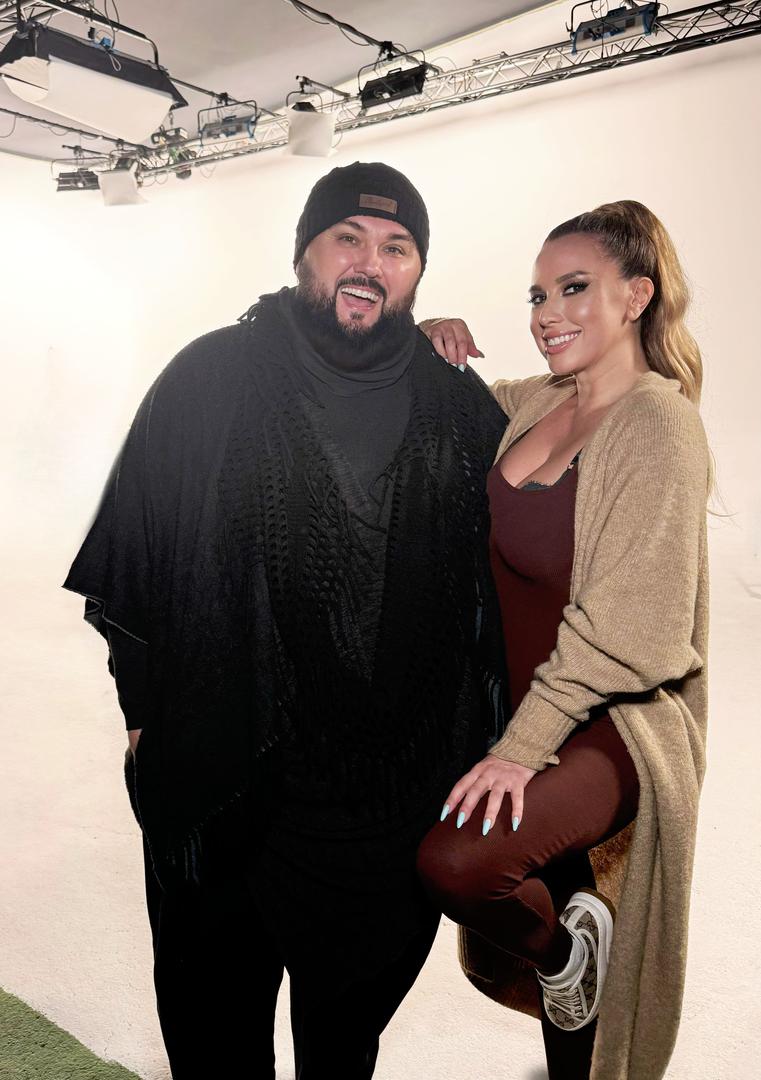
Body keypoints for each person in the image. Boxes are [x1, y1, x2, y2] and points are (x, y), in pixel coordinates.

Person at [63, 162, 510, 1080]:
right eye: (348, 238)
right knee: (215, 1040)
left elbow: (499, 578)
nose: (369, 262)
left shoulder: (457, 405)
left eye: (396, 248)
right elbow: (137, 552)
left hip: (383, 811)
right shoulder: (208, 377)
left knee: (342, 1049)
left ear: (418, 274)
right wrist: (144, 717)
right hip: (226, 784)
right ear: (304, 251)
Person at [416, 200, 710, 1080]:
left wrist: (520, 748)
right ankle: (569, 967)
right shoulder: (534, 402)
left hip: (612, 723)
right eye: (537, 295)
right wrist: (424, 338)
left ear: (635, 297)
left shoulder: (657, 425)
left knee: (460, 864)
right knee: (575, 918)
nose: (547, 314)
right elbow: (447, 404)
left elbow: (632, 630)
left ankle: (560, 953)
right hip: (526, 704)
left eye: (573, 288)